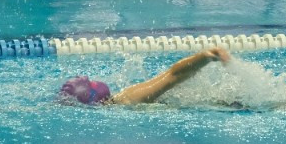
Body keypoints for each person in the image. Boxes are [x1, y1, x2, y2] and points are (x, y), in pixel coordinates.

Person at [59, 47, 231, 107]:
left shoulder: (116, 104)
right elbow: (173, 75)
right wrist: (204, 57)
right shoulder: (127, 99)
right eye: (91, 83)